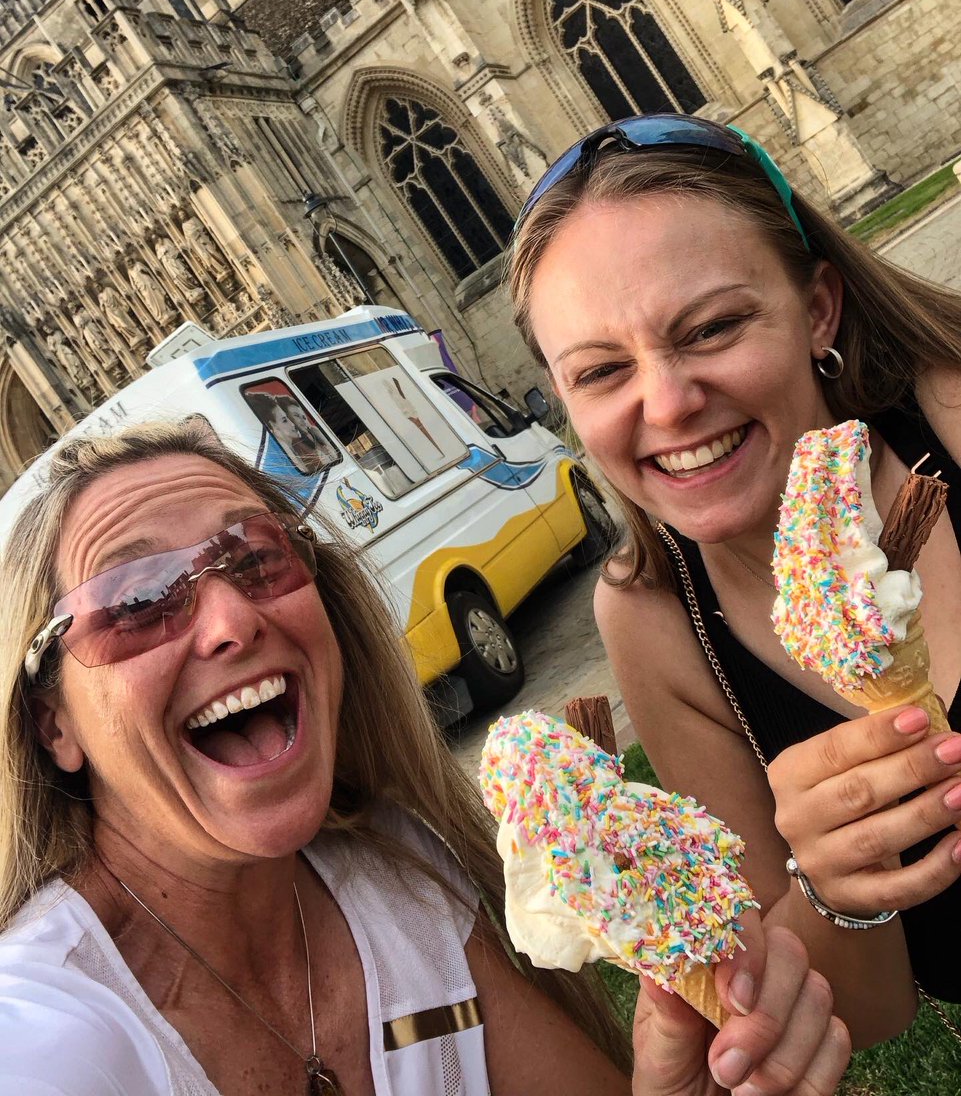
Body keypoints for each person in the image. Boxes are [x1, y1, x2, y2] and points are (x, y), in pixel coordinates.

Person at [0, 419, 849, 1094]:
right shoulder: (41, 1039)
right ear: (52, 725)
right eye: (138, 599)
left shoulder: (392, 878)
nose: (231, 621)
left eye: (256, 558)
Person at [507, 112, 961, 1048]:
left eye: (710, 328)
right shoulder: (652, 615)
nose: (667, 403)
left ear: (818, 311)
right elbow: (867, 1015)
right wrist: (829, 887)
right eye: (600, 372)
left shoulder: (951, 410)